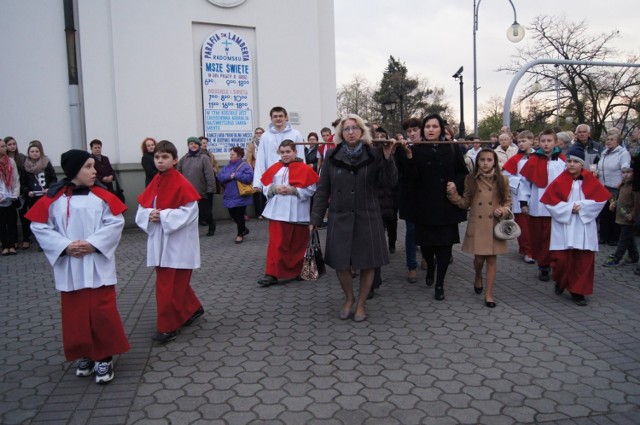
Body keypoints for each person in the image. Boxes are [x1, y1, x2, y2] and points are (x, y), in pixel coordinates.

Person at [26, 149, 129, 384]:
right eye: (88, 167)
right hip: (70, 265)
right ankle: (85, 352)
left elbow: (115, 222)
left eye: (94, 166)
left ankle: (104, 356)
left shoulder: (101, 197)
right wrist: (64, 246)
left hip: (96, 263)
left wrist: (93, 244)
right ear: (74, 170)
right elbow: (39, 226)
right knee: (76, 313)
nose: (94, 171)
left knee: (101, 311)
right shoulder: (54, 199)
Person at [311, 114, 397, 321]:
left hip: (367, 215)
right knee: (341, 263)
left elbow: (389, 183)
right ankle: (348, 298)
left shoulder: (374, 154)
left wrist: (387, 157)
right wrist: (315, 218)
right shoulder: (331, 156)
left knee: (368, 262)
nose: (350, 132)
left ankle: (361, 303)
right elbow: (323, 190)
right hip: (340, 216)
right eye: (346, 129)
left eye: (355, 128)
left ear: (362, 131)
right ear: (341, 133)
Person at [135, 140, 205, 343]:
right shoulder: (155, 181)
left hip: (178, 243)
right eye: (157, 157)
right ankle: (192, 309)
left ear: (175, 160)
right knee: (172, 283)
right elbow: (142, 208)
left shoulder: (182, 183)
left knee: (171, 285)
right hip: (160, 240)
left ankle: (167, 326)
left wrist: (163, 216)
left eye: (165, 157)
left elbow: (189, 211)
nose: (160, 161)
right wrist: (150, 214)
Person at [399, 113, 468, 300]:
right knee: (427, 247)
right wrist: (410, 158)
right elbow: (410, 179)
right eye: (427, 126)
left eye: (434, 126)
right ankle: (430, 266)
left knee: (445, 247)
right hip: (424, 207)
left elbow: (463, 172)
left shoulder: (452, 148)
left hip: (446, 206)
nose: (431, 130)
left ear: (441, 129)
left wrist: (456, 184)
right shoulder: (417, 149)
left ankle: (440, 284)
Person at [540, 146, 610, 306]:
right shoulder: (559, 181)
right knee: (561, 259)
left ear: (582, 164)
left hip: (583, 226)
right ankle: (560, 280)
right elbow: (550, 203)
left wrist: (583, 207)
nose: (571, 164)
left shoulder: (591, 181)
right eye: (569, 161)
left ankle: (578, 291)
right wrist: (568, 208)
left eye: (575, 162)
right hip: (565, 224)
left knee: (583, 260)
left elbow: (601, 200)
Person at [447, 148, 511, 308]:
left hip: (494, 224)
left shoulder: (503, 180)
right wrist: (453, 195)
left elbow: (507, 201)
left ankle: (489, 294)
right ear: (477, 162)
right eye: (482, 160)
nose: (485, 163)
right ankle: (477, 276)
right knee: (479, 259)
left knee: (491, 259)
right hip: (478, 224)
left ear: (495, 162)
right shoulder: (470, 179)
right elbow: (465, 202)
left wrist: (503, 210)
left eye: (489, 160)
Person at [258, 140, 319, 286]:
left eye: (288, 152)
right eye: (283, 152)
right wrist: (274, 188)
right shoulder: (275, 167)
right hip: (277, 211)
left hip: (298, 211)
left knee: (298, 243)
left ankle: (298, 270)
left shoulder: (305, 168)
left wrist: (294, 190)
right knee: (276, 243)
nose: (285, 155)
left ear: (295, 152)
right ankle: (272, 273)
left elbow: (312, 188)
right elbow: (264, 186)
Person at [519, 129, 566, 281]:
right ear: (539, 142)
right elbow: (525, 183)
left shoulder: (562, 161)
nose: (546, 144)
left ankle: (555, 265)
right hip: (537, 206)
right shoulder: (533, 160)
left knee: (554, 238)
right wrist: (523, 202)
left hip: (557, 207)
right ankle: (543, 266)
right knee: (539, 239)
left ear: (555, 142)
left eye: (549, 141)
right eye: (543, 141)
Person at [502, 131, 536, 264]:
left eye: (524, 141)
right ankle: (527, 250)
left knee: (535, 225)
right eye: (519, 142)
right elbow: (506, 177)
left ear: (532, 141)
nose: (521, 144)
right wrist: (521, 182)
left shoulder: (539, 157)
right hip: (520, 195)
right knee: (524, 226)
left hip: (536, 195)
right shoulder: (516, 159)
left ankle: (537, 250)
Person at [252, 106, 305, 190]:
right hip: (271, 177)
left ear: (286, 117)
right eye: (275, 116)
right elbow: (260, 159)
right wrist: (258, 183)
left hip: (291, 176)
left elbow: (300, 156)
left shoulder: (296, 134)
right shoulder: (266, 136)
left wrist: (301, 178)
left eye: (280, 116)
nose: (278, 119)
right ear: (271, 119)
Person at [397, 118, 422, 283]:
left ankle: (426, 257)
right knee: (411, 232)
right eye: (409, 131)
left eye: (415, 130)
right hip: (410, 197)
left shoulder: (429, 147)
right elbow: (402, 173)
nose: (412, 134)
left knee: (426, 231)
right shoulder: (401, 149)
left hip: (427, 196)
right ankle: (411, 266)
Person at [20, 141, 57, 249]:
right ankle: (40, 242)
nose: (35, 153)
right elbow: (23, 183)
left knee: (47, 218)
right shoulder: (25, 166)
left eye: (37, 151)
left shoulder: (46, 163)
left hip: (45, 196)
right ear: (28, 153)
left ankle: (49, 241)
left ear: (40, 152)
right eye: (32, 151)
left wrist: (49, 188)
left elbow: (53, 178)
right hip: (33, 198)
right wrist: (27, 191)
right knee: (37, 220)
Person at [595, 131, 630, 246]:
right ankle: (604, 236)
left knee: (613, 213)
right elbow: (601, 167)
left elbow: (626, 168)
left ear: (618, 141)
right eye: (607, 139)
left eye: (612, 139)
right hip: (603, 186)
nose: (608, 141)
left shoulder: (622, 153)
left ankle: (615, 238)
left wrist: (622, 182)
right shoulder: (604, 153)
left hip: (615, 186)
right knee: (604, 212)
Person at [177, 136, 217, 237]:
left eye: (195, 144)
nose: (193, 145)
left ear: (198, 145)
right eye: (191, 144)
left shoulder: (204, 158)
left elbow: (209, 174)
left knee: (205, 212)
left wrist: (210, 189)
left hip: (202, 191)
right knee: (190, 213)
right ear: (188, 146)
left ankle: (211, 225)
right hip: (188, 191)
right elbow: (178, 174)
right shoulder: (183, 159)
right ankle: (191, 231)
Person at [603, 163, 637, 266]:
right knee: (628, 237)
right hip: (621, 216)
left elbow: (637, 203)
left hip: (629, 217)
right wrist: (614, 203)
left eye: (628, 172)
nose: (625, 175)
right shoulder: (623, 185)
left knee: (623, 239)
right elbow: (621, 198)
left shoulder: (635, 187)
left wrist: (633, 214)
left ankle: (616, 258)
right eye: (623, 172)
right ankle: (634, 256)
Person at [217, 147, 253, 243]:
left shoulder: (245, 166)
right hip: (229, 195)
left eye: (232, 154)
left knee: (240, 215)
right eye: (230, 154)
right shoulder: (227, 167)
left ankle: (240, 234)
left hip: (241, 195)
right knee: (233, 215)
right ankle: (244, 229)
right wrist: (230, 176)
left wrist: (236, 175)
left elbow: (249, 178)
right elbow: (220, 177)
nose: (230, 156)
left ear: (239, 156)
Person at [5, 136, 28, 249]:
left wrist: (22, 189)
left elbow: (22, 175)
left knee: (23, 216)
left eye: (14, 144)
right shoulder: (5, 159)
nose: (12, 146)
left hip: (20, 190)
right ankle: (12, 240)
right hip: (8, 192)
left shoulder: (21, 157)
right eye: (9, 144)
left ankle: (26, 239)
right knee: (11, 218)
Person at [0, 138, 20, 255]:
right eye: (2, 146)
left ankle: (12, 245)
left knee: (12, 221)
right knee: (1, 223)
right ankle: (5, 246)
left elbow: (16, 179)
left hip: (10, 196)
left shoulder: (11, 161)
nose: (5, 148)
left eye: (4, 146)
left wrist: (15, 195)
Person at [246, 127, 266, 219]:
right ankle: (259, 213)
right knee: (256, 192)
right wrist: (251, 169)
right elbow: (249, 157)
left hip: (266, 169)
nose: (259, 134)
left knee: (266, 192)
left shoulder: (266, 142)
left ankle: (266, 212)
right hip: (256, 169)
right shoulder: (252, 144)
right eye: (257, 133)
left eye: (260, 132)